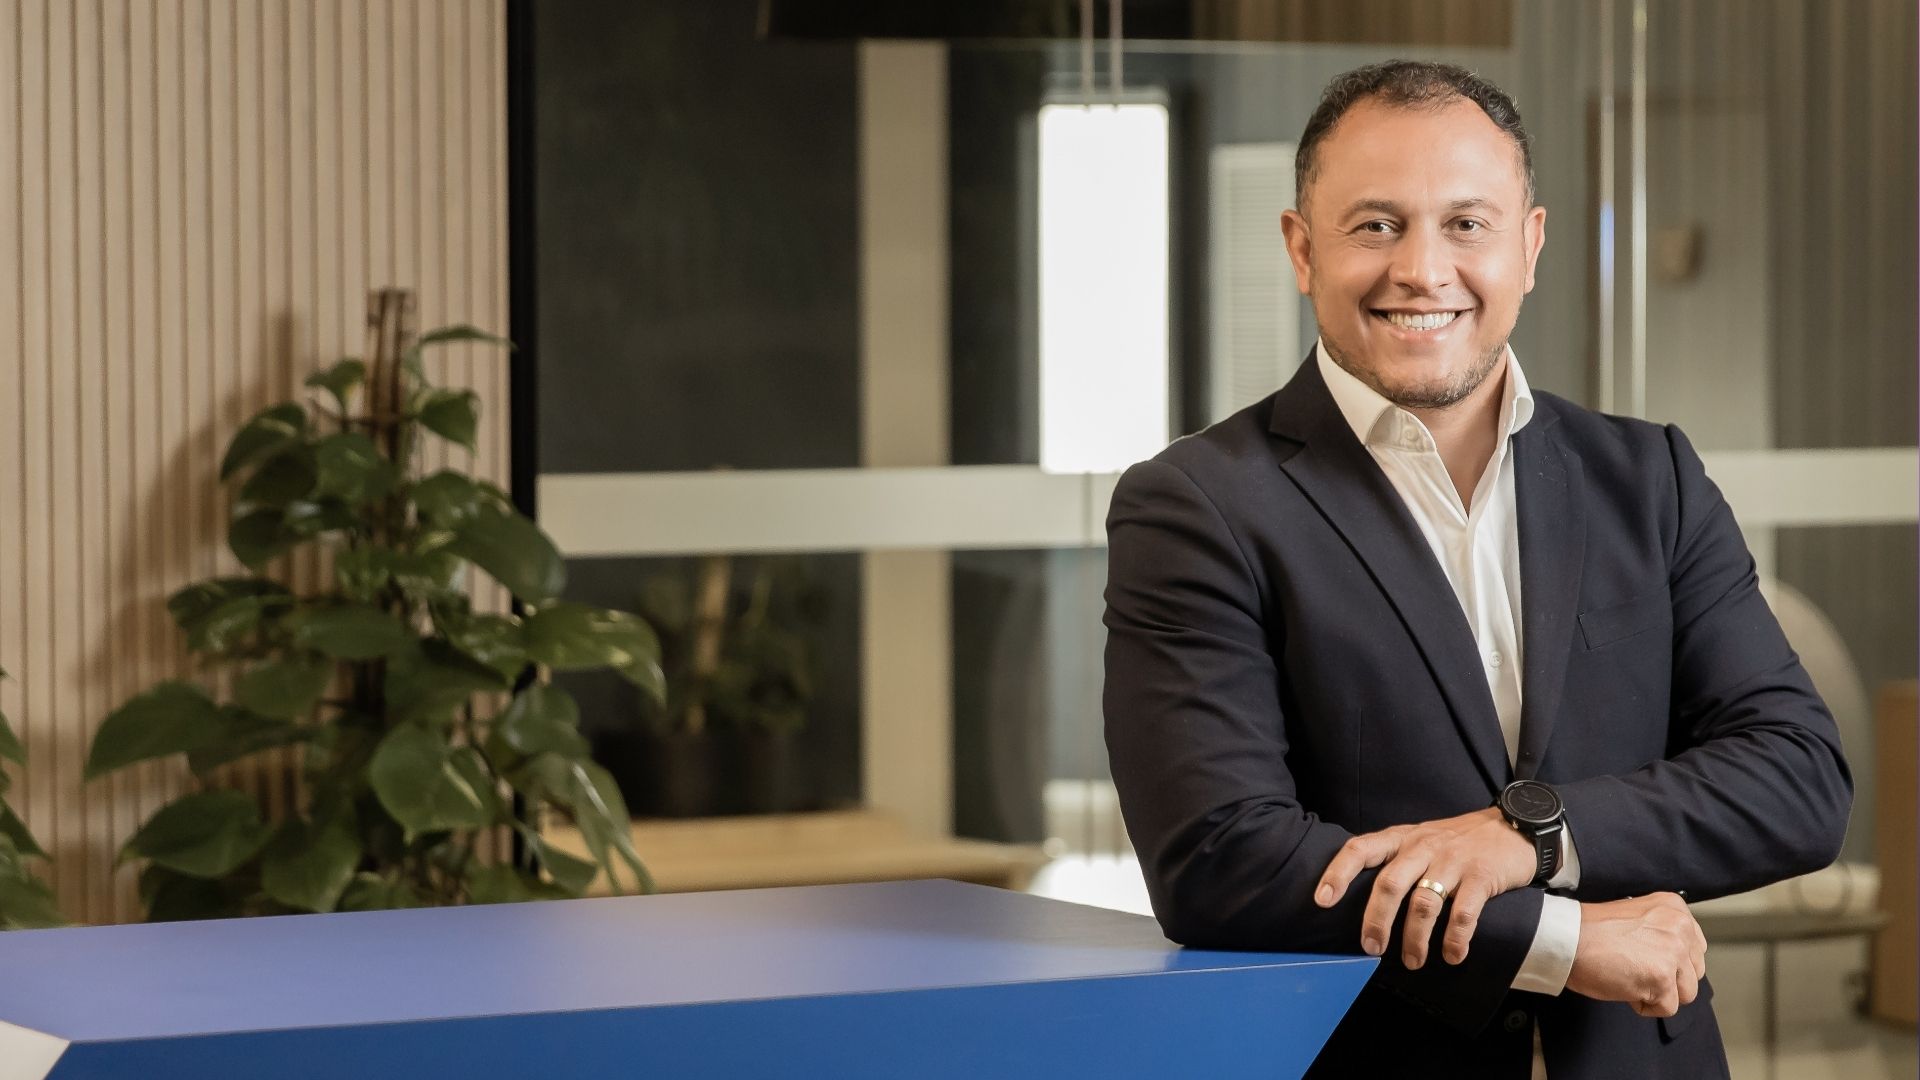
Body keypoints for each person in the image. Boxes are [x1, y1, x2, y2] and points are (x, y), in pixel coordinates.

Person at [1102, 60, 1851, 1080]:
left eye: (1466, 224)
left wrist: (1531, 841)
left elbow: (1798, 778)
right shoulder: (1197, 505)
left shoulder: (1651, 479)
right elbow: (1221, 857)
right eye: (1376, 225)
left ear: (1529, 246)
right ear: (1302, 248)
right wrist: (1561, 940)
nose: (1422, 270)